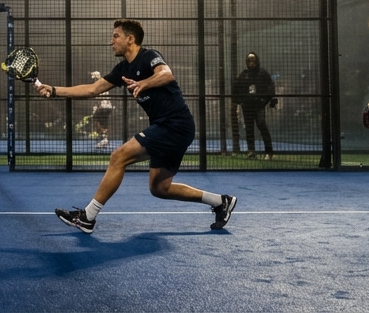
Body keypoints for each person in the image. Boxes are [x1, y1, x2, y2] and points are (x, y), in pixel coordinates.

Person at [43, 19, 236, 233]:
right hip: (171, 128)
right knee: (159, 188)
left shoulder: (148, 56)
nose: (111, 41)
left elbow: (166, 74)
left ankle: (87, 217)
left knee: (119, 156)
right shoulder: (123, 69)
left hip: (175, 125)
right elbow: (92, 89)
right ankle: (220, 201)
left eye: (116, 36)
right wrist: (53, 90)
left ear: (130, 39)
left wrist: (144, 83)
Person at [230, 52, 276, 159]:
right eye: (249, 61)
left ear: (256, 61)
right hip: (247, 106)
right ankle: (251, 151)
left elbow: (270, 85)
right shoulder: (244, 75)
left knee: (261, 124)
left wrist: (270, 98)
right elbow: (236, 88)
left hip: (259, 105)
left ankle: (269, 152)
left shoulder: (262, 73)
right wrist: (238, 101)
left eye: (253, 61)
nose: (251, 63)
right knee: (249, 128)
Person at [87, 71, 113, 149]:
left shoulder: (97, 85)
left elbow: (98, 98)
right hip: (107, 107)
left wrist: (95, 108)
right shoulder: (103, 83)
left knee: (96, 121)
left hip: (103, 107)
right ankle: (105, 139)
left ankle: (104, 138)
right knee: (104, 123)